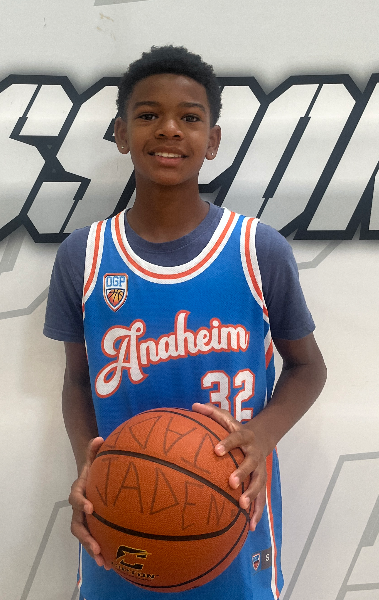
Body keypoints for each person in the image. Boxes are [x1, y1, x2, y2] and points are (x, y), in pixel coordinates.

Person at [44, 45, 326, 600]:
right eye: (148, 115)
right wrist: (89, 469)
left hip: (232, 512)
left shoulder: (257, 249)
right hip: (119, 514)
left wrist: (262, 435)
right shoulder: (85, 255)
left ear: (213, 140)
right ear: (121, 133)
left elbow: (307, 368)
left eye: (190, 118)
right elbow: (78, 379)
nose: (169, 129)